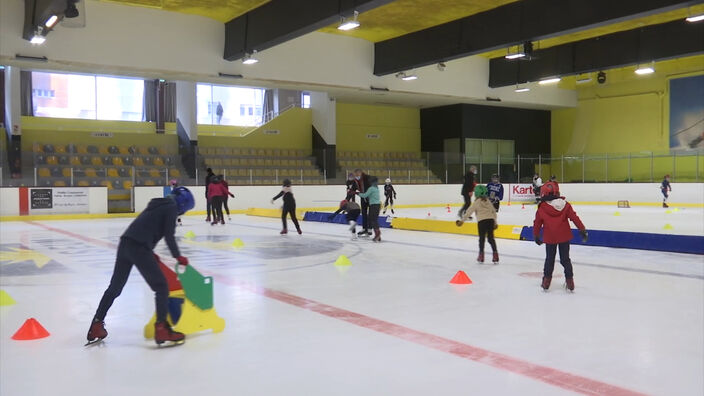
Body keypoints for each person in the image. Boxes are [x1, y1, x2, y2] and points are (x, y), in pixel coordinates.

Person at [86, 187, 194, 346]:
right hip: (139, 247)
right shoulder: (171, 207)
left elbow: (146, 227)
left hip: (126, 244)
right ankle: (162, 328)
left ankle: (96, 324)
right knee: (162, 287)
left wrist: (149, 252)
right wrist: (178, 256)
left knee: (115, 288)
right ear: (182, 206)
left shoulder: (158, 204)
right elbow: (169, 236)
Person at [533, 181, 587, 292]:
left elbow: (537, 222)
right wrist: (582, 229)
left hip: (550, 237)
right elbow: (574, 218)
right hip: (564, 236)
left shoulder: (542, 207)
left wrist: (536, 235)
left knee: (550, 259)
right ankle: (570, 281)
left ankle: (546, 281)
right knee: (565, 259)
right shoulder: (566, 205)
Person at [456, 185, 499, 264]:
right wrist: (495, 222)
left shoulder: (477, 202)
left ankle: (481, 256)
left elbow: (469, 212)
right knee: (491, 238)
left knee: (482, 239)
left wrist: (462, 221)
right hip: (490, 221)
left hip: (482, 222)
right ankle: (495, 254)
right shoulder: (488, 201)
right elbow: (493, 211)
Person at [357, 176, 382, 242]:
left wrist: (357, 193)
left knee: (373, 220)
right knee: (374, 220)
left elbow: (365, 195)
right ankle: (378, 235)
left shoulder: (371, 188)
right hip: (377, 205)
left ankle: (377, 234)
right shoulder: (376, 188)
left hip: (373, 206)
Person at [353, 169, 371, 237]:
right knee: (364, 213)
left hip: (370, 197)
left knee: (370, 213)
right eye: (355, 175)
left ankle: (369, 228)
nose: (356, 176)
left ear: (360, 173)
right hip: (363, 198)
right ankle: (364, 228)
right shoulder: (356, 180)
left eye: (357, 174)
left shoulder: (367, 178)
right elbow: (353, 189)